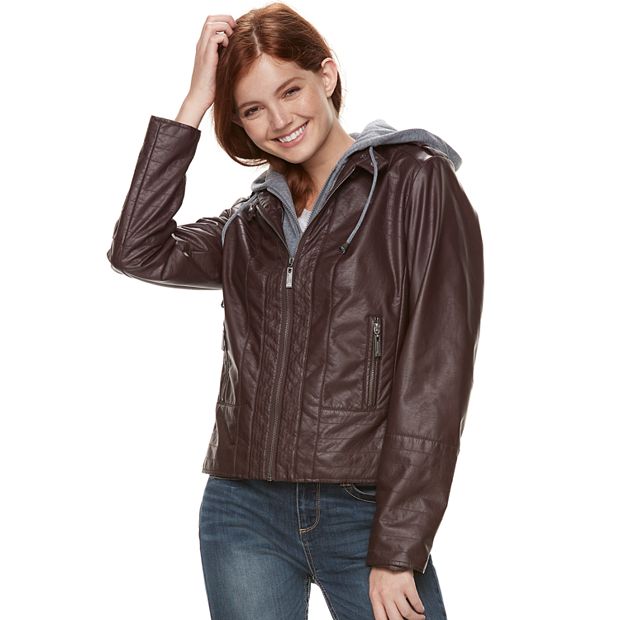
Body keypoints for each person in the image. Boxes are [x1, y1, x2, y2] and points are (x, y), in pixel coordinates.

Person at [106, 3, 484, 619]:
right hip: (243, 506)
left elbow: (436, 375)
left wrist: (398, 545)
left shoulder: (414, 182)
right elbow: (136, 250)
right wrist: (195, 100)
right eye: (253, 108)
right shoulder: (249, 222)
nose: (279, 121)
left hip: (364, 506)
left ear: (326, 75)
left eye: (290, 91)